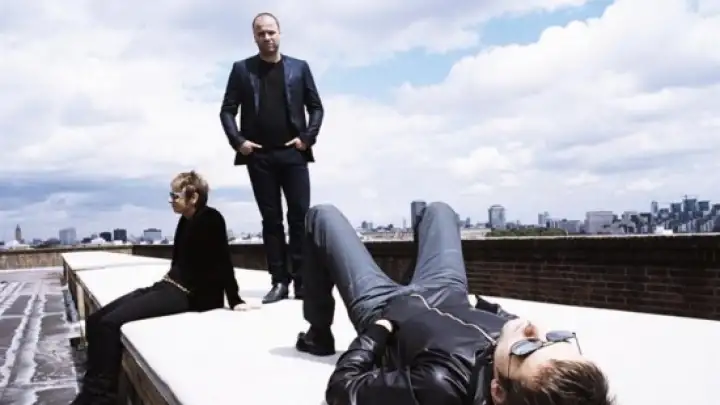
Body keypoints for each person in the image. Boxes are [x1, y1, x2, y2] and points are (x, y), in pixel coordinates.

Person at [295, 202, 614, 405]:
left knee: (321, 215)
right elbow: (510, 329)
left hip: (385, 306)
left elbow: (342, 389)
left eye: (527, 348)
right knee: (439, 210)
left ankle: (318, 334)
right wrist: (490, 310)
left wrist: (377, 332)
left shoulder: (442, 385)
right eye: (552, 340)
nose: (533, 330)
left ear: (497, 391)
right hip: (446, 290)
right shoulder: (513, 353)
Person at [71, 171, 256, 405]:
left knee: (110, 324)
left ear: (193, 197)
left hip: (188, 295)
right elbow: (178, 263)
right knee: (96, 320)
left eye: (175, 195)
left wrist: (235, 298)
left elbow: (223, 261)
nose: (171, 200)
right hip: (169, 285)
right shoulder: (185, 221)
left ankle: (99, 398)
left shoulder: (211, 219)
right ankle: (91, 392)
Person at [219, 12, 324, 304]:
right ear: (254, 37)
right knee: (271, 220)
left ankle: (302, 281)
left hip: (293, 153)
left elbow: (316, 107)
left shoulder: (299, 68)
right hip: (259, 156)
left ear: (280, 33)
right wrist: (239, 142)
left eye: (271, 32)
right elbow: (227, 110)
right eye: (261, 33)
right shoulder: (242, 70)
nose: (267, 37)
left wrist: (307, 138)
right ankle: (279, 281)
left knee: (299, 217)